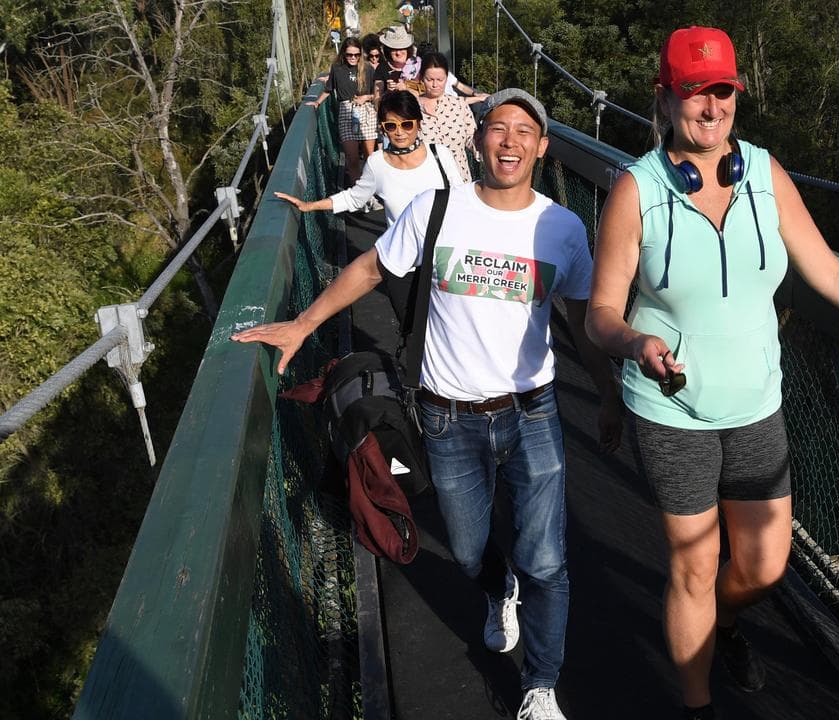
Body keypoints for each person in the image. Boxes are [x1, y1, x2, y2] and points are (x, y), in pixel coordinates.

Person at [584, 26, 839, 720]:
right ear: (665, 98)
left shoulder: (765, 175)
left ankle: (721, 622)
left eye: (723, 91)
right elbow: (600, 313)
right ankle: (696, 704)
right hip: (671, 409)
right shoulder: (637, 190)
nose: (712, 107)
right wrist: (634, 342)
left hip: (755, 406)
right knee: (692, 566)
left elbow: (828, 273)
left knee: (764, 566)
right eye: (695, 92)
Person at [234, 88, 622, 720]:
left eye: (525, 131)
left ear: (542, 148)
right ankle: (498, 587)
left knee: (548, 561)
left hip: (532, 413)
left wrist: (607, 394)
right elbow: (370, 269)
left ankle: (541, 685)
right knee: (468, 550)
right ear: (478, 139)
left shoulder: (562, 228)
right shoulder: (438, 209)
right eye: (499, 128)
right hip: (447, 416)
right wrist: (303, 324)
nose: (511, 141)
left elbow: (580, 318)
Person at [275, 90, 464, 226]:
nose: (399, 132)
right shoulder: (377, 163)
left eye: (407, 124)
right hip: (402, 261)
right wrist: (309, 205)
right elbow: (354, 198)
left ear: (419, 124)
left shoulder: (440, 155)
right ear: (382, 128)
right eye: (391, 126)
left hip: (444, 256)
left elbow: (463, 198)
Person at [310, 38, 378, 184]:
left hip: (367, 111)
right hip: (346, 112)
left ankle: (371, 187)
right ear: (343, 54)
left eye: (356, 54)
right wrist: (317, 102)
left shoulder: (368, 68)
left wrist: (366, 97)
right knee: (352, 159)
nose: (353, 58)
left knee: (370, 158)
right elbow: (329, 89)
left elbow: (377, 94)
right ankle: (357, 190)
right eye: (349, 54)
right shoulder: (337, 69)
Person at [406, 52, 477, 181]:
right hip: (425, 183)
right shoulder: (410, 108)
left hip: (460, 182)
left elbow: (473, 140)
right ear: (421, 78)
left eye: (440, 80)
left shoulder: (460, 105)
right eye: (429, 80)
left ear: (447, 78)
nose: (435, 85)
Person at [377, 25, 418, 94]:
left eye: (402, 48)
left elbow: (427, 93)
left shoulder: (417, 66)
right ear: (388, 50)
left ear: (408, 49)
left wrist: (407, 89)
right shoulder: (382, 68)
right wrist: (387, 92)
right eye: (394, 49)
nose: (398, 53)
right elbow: (376, 98)